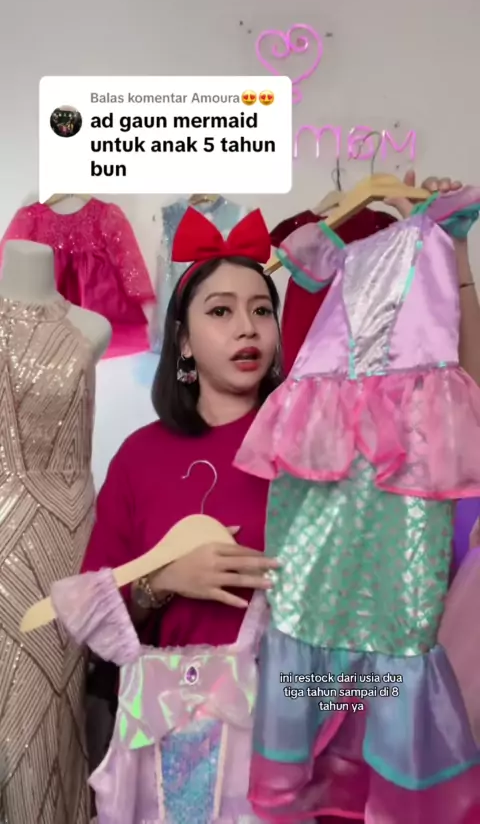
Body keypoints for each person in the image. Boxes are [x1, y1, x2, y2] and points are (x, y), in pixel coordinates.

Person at [82, 174, 480, 824]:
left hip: (296, 730)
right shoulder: (139, 456)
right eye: (220, 311)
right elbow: (94, 611)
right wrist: (164, 581)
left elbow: (451, 397)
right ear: (183, 340)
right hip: (177, 743)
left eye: (261, 310)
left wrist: (455, 256)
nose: (247, 327)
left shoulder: (318, 438)